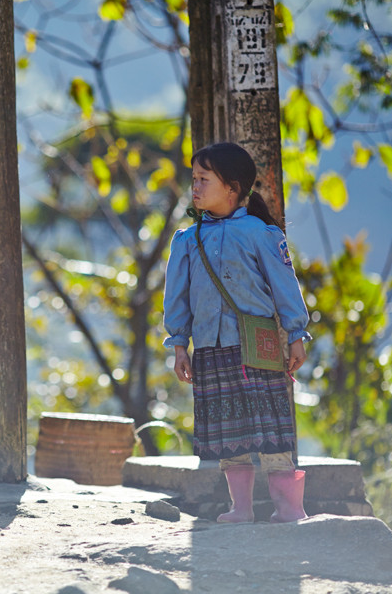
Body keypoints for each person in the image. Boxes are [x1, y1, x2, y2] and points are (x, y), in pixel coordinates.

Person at [163, 142, 312, 523]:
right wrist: (179, 345)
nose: (194, 187)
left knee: (273, 431)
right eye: (193, 179)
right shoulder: (185, 240)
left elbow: (285, 286)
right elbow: (177, 299)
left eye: (203, 179)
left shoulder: (260, 233)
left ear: (231, 187)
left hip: (256, 346)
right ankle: (240, 509)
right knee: (231, 437)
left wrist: (296, 334)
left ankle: (289, 509)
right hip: (210, 350)